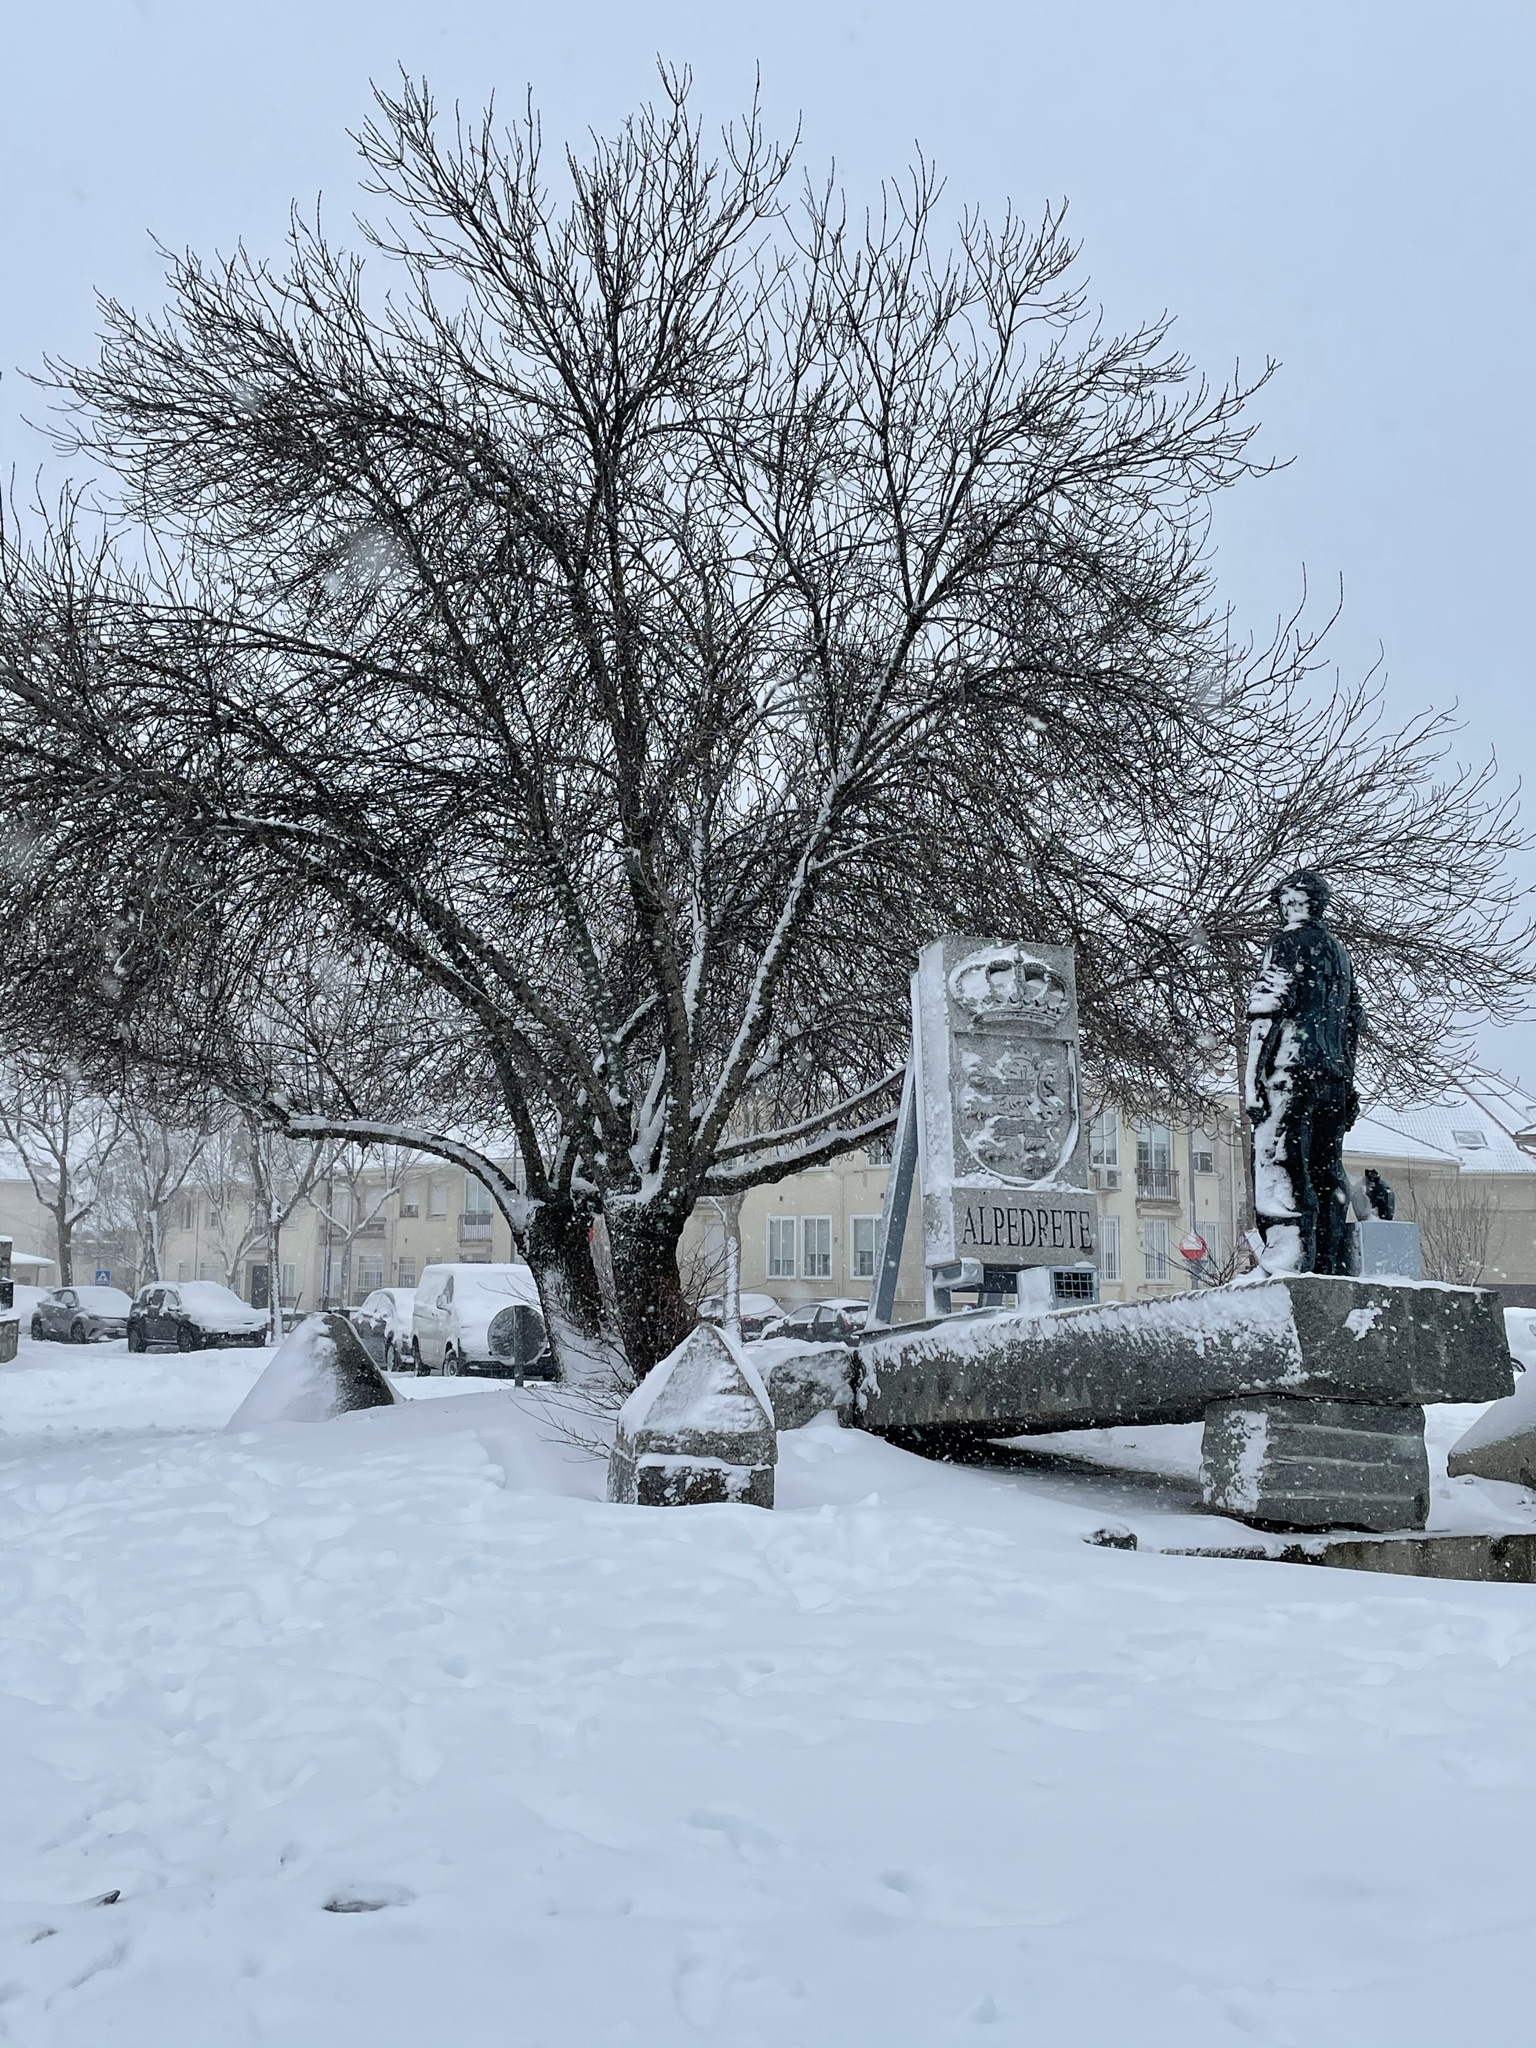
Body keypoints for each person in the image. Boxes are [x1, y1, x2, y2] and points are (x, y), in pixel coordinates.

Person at [1244, 869, 1365, 1275]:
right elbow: (1352, 1023)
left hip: (1290, 1072)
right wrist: (1347, 1081)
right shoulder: (1338, 952)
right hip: (1332, 1076)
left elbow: (1267, 1013)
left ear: (1290, 904)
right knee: (1327, 1171)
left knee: (1282, 1164)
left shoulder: (1284, 943)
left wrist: (1251, 1082)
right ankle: (1329, 1260)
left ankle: (1290, 1257)